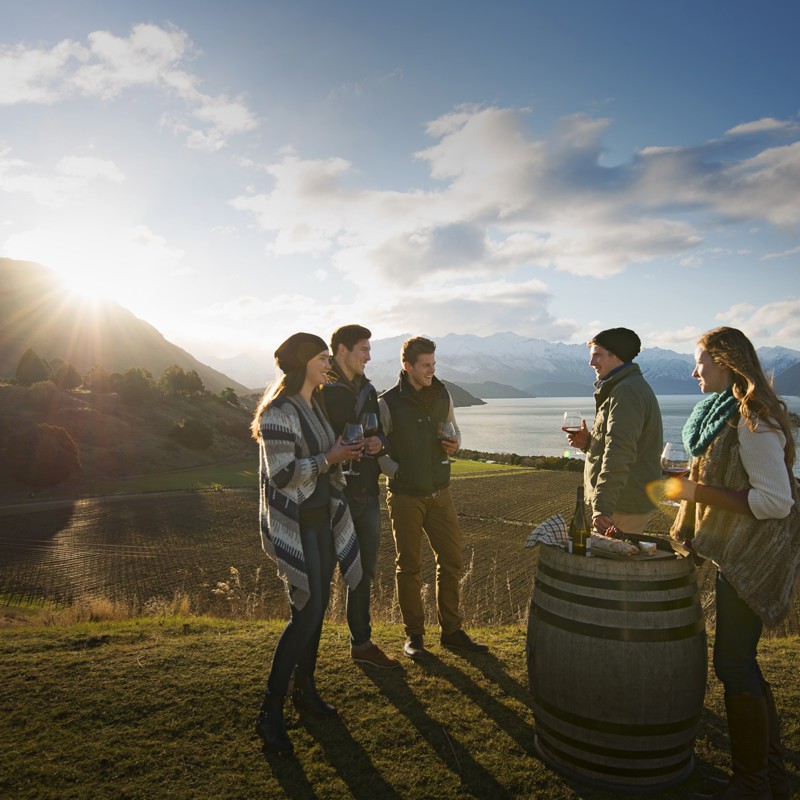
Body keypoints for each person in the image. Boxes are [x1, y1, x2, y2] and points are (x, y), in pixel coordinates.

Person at [668, 327, 798, 800]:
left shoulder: (751, 421)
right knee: (742, 663)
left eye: (700, 361)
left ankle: (750, 784)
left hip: (754, 556)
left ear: (724, 361)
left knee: (734, 664)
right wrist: (691, 482)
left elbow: (775, 502)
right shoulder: (722, 417)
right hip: (740, 551)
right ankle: (773, 778)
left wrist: (696, 492)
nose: (694, 370)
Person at [251, 332, 364, 755]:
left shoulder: (313, 406)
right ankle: (270, 710)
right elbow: (282, 475)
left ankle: (305, 690)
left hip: (319, 522)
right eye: (321, 357)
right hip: (295, 527)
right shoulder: (279, 412)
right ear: (303, 362)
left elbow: (324, 457)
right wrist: (329, 459)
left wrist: (339, 457)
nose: (327, 364)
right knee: (307, 610)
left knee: (316, 609)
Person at [378, 336, 488, 658]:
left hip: (441, 493)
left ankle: (451, 632)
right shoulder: (388, 403)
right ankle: (414, 636)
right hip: (405, 496)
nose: (431, 371)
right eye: (425, 365)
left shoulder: (443, 393)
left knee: (451, 560)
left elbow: (454, 429)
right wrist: (395, 471)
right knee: (409, 566)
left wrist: (455, 445)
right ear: (407, 366)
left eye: (434, 364)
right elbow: (377, 446)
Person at [322, 324, 401, 669]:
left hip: (366, 493)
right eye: (363, 349)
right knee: (322, 572)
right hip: (330, 494)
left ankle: (362, 643)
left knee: (364, 571)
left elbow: (378, 432)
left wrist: (378, 443)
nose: (369, 355)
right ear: (342, 350)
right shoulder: (321, 387)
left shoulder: (368, 389)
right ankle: (306, 646)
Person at [564, 327, 663, 534]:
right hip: (619, 503)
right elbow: (618, 443)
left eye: (597, 355)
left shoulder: (626, 390)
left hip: (620, 507)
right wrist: (589, 444)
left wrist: (602, 507)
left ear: (616, 356)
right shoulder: (621, 387)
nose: (591, 363)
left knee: (609, 565)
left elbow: (620, 451)